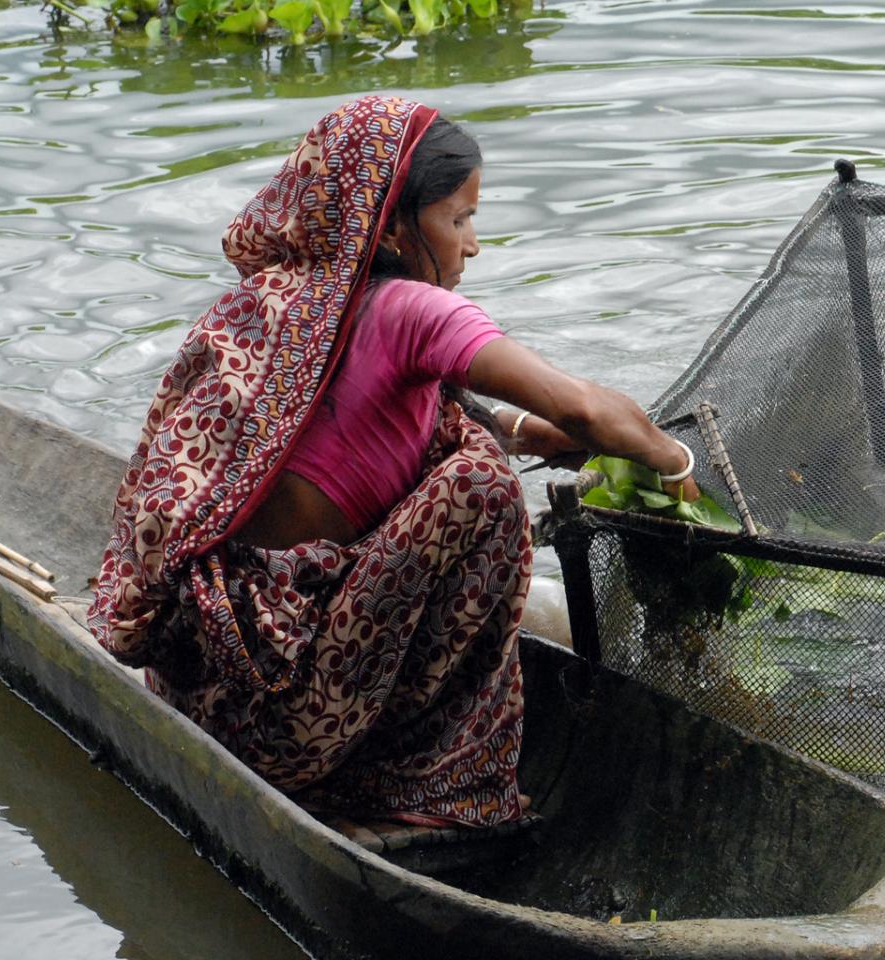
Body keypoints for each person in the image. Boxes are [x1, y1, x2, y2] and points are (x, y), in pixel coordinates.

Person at [86, 94, 697, 828]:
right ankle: (437, 781)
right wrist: (671, 459)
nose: (472, 245)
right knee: (481, 483)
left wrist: (522, 430)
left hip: (207, 693)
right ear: (396, 226)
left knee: (469, 437)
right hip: (297, 733)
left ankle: (381, 757)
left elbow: (402, 418)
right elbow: (585, 410)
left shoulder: (283, 306)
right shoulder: (416, 310)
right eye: (459, 219)